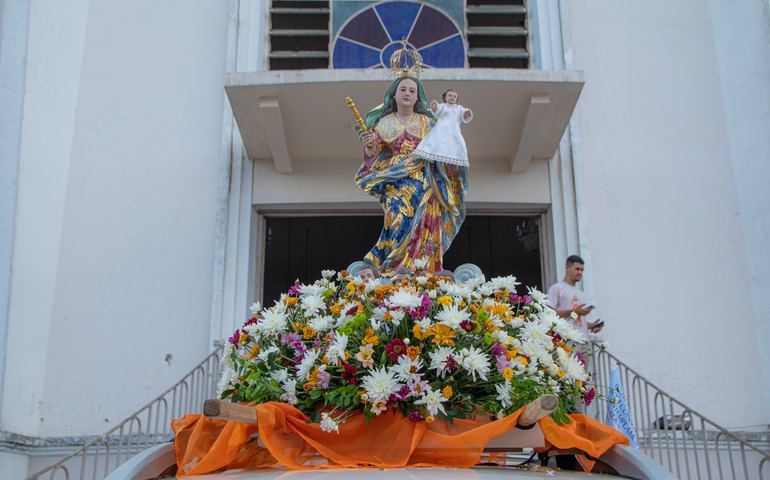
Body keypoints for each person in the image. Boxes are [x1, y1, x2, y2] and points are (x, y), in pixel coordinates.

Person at [355, 73, 468, 277]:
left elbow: (444, 145)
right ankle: (393, 265)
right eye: (403, 90)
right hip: (395, 179)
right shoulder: (384, 123)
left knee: (426, 221)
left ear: (418, 98)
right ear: (394, 95)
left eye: (412, 91)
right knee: (397, 218)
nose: (407, 93)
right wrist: (369, 145)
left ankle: (423, 268)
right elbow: (372, 154)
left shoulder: (428, 122)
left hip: (425, 180)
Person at [413, 89, 473, 167]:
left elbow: (464, 115)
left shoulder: (459, 108)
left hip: (453, 131)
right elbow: (436, 111)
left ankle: (451, 159)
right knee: (437, 144)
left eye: (454, 96)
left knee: (455, 144)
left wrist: (466, 113)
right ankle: (435, 157)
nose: (452, 97)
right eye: (450, 95)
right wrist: (434, 106)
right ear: (445, 98)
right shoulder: (443, 106)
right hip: (441, 130)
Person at [547, 255, 602, 335]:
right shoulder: (557, 288)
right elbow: (549, 313)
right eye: (577, 269)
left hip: (582, 340)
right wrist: (574, 312)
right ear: (567, 268)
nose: (580, 272)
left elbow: (577, 322)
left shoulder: (580, 293)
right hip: (566, 340)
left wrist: (591, 326)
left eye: (582, 270)